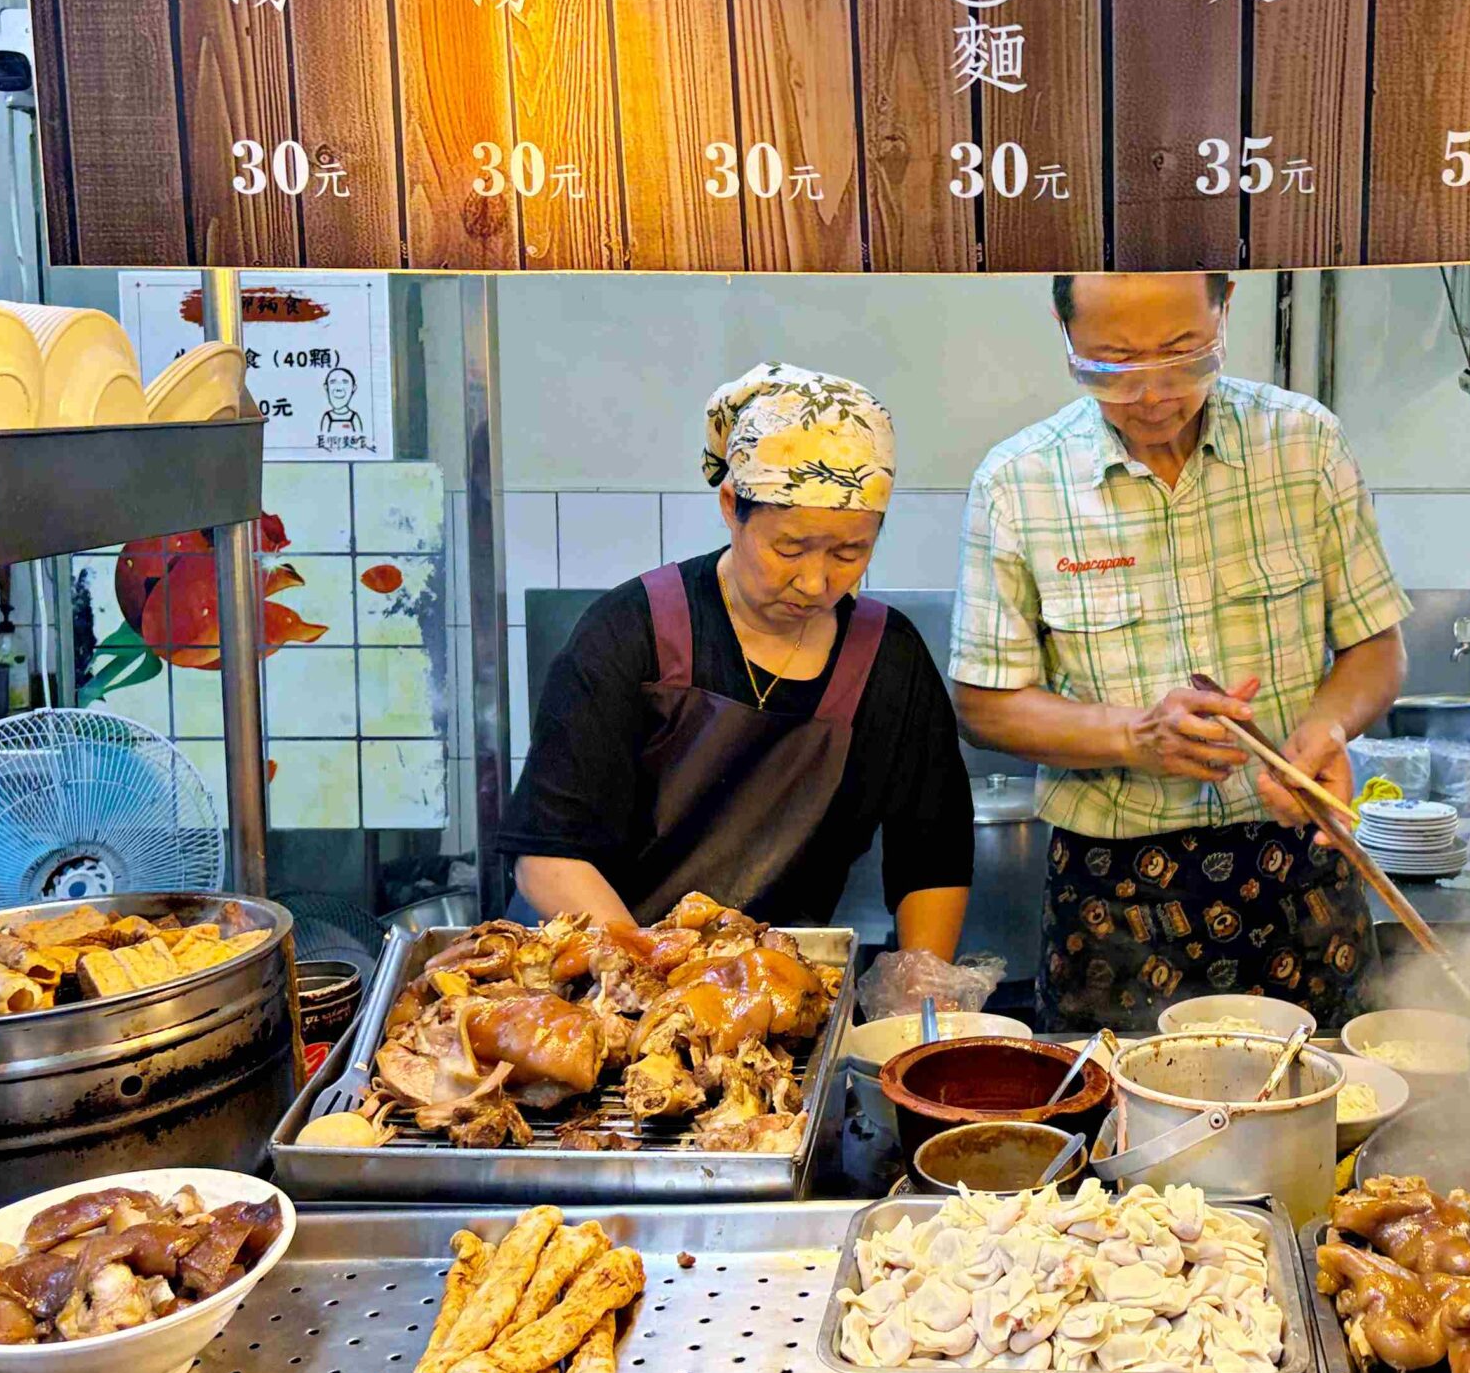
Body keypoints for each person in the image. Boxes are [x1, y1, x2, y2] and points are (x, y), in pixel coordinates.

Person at [950, 271, 1411, 1030]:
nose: (1153, 394)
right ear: (1066, 335)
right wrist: (1136, 735)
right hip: (1115, 893)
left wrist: (1326, 729)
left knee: (1331, 1094)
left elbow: (1376, 646)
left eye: (1183, 354)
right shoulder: (1017, 483)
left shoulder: (1304, 443)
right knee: (1114, 1104)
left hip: (1300, 868)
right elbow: (984, 705)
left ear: (1224, 310)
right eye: (1112, 364)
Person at [499, 364, 972, 955]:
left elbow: (932, 853)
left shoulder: (888, 658)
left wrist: (921, 983)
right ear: (731, 505)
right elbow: (547, 856)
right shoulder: (633, 632)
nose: (816, 581)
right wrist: (650, 976)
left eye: (850, 552)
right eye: (789, 548)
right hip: (599, 967)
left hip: (773, 980)